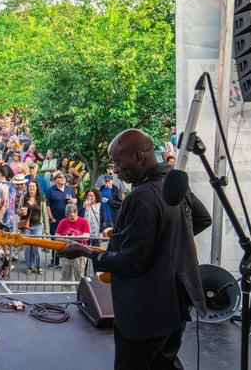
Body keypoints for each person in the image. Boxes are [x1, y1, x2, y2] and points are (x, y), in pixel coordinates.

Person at [59, 128, 212, 369]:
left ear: (139, 156)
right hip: (175, 304)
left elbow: (131, 262)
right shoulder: (172, 182)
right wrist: (165, 241)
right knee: (164, 363)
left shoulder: (140, 197)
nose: (116, 169)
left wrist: (85, 251)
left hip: (144, 310)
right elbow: (202, 219)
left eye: (118, 162)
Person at [55, 203, 90, 292]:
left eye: (73, 216)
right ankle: (65, 292)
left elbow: (86, 236)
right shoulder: (63, 222)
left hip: (80, 251)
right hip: (67, 251)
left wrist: (74, 237)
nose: (71, 218)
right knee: (66, 272)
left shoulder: (83, 221)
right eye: (69, 216)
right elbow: (56, 236)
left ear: (76, 213)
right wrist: (66, 237)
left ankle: (80, 292)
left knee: (79, 272)